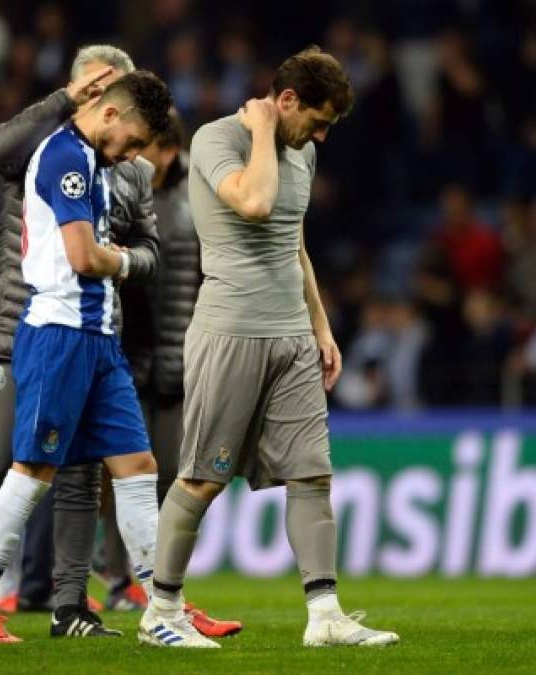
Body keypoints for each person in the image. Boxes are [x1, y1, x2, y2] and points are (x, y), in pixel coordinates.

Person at [139, 46, 400, 648]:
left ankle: (326, 615)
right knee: (203, 476)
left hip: (291, 335)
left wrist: (321, 325)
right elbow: (254, 203)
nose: (322, 136)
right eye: (318, 120)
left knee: (312, 474)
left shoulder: (302, 151)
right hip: (231, 330)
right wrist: (261, 132)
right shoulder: (216, 140)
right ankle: (161, 612)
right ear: (286, 101)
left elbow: (293, 241)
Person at [0, 45, 158, 641]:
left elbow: (149, 246)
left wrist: (124, 262)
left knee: (78, 474)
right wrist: (59, 104)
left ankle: (70, 604)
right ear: (79, 93)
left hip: (91, 328)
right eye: (87, 91)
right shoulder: (37, 145)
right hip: (15, 326)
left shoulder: (125, 166)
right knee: (0, 462)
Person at [102, 109, 242, 637]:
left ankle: (158, 584)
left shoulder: (200, 188)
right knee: (124, 477)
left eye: (147, 149)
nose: (139, 158)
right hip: (131, 353)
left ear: (169, 149)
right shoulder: (123, 188)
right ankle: (120, 581)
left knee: (170, 476)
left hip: (186, 358)